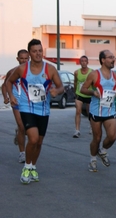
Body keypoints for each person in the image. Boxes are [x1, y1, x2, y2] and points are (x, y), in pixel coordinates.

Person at [6, 39, 64, 184]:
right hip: (26, 108)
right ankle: (26, 167)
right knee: (32, 138)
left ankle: (32, 166)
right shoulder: (22, 69)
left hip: (43, 110)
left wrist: (56, 90)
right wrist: (11, 96)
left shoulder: (50, 69)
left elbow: (61, 86)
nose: (38, 54)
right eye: (34, 51)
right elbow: (8, 81)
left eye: (40, 51)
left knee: (39, 142)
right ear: (30, 53)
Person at [80, 50, 116, 172]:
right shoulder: (94, 74)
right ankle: (92, 159)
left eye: (113, 57)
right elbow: (83, 89)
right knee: (97, 138)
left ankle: (102, 151)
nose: (113, 59)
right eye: (110, 57)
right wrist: (93, 92)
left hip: (110, 110)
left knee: (112, 137)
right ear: (103, 60)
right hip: (96, 111)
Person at [2, 49, 29, 163]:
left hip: (29, 103)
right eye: (21, 58)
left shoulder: (32, 72)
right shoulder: (12, 72)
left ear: (29, 58)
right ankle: (22, 154)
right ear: (17, 59)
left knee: (28, 128)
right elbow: (4, 86)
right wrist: (6, 97)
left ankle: (19, 132)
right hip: (16, 102)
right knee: (22, 126)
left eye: (25, 58)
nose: (23, 60)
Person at [73, 55, 93, 138]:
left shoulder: (92, 72)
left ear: (87, 62)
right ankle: (77, 130)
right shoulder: (77, 72)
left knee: (89, 112)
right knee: (78, 111)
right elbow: (75, 82)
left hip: (88, 94)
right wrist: (75, 92)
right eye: (82, 61)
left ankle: (91, 127)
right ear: (80, 62)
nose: (84, 62)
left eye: (85, 61)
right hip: (79, 94)